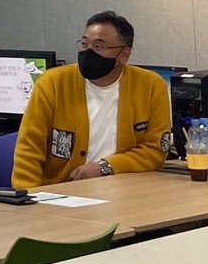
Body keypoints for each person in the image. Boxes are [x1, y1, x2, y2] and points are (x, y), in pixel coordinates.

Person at [12, 12, 171, 189]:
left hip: (125, 189)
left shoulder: (151, 86)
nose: (88, 52)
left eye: (98, 47)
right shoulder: (52, 83)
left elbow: (155, 150)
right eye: (84, 44)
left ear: (124, 55)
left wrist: (105, 167)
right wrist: (29, 195)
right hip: (62, 191)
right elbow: (28, 149)